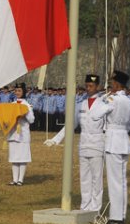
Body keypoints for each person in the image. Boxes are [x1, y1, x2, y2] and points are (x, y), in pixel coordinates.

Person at [45, 74, 105, 212]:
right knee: (84, 178)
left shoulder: (104, 104)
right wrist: (56, 139)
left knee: (97, 179)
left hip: (97, 144)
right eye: (87, 86)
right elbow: (70, 125)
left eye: (91, 86)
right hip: (83, 145)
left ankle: (95, 208)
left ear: (98, 87)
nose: (88, 89)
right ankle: (85, 206)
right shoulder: (80, 105)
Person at [91, 70, 130, 224]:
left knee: (116, 181)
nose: (110, 86)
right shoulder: (128, 100)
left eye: (112, 83)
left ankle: (117, 217)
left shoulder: (112, 99)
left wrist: (102, 98)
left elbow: (95, 114)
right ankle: (118, 215)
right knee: (120, 180)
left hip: (113, 141)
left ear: (117, 84)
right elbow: (128, 125)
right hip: (122, 139)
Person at [6, 83, 34, 186]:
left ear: (23, 92)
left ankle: (20, 179)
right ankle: (14, 179)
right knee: (14, 157)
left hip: (23, 134)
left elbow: (31, 120)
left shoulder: (27, 105)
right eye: (16, 91)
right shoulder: (12, 104)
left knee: (22, 157)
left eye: (19, 91)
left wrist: (25, 113)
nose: (17, 93)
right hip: (13, 133)